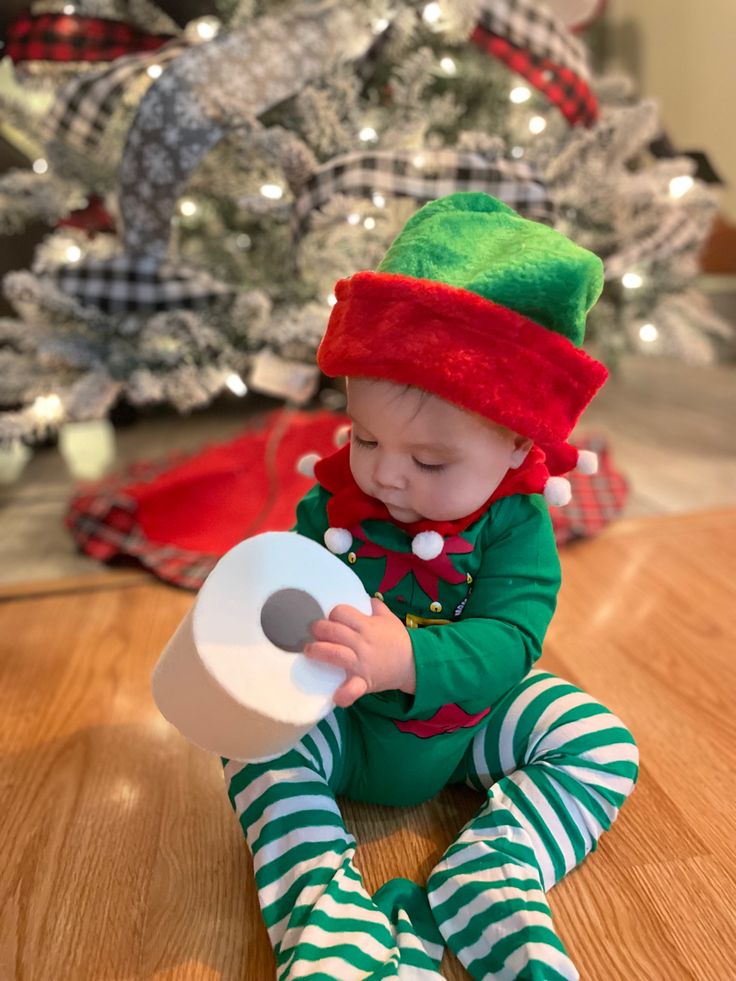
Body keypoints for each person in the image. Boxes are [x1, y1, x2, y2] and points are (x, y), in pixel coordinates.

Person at [223, 193, 639, 980]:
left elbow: (511, 642)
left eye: (431, 462)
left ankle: (491, 873)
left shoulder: (515, 524)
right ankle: (324, 907)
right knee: (251, 745)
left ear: (516, 440)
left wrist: (408, 656)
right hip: (343, 723)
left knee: (600, 742)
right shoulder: (341, 497)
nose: (385, 471)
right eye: (369, 435)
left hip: (466, 722)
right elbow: (292, 595)